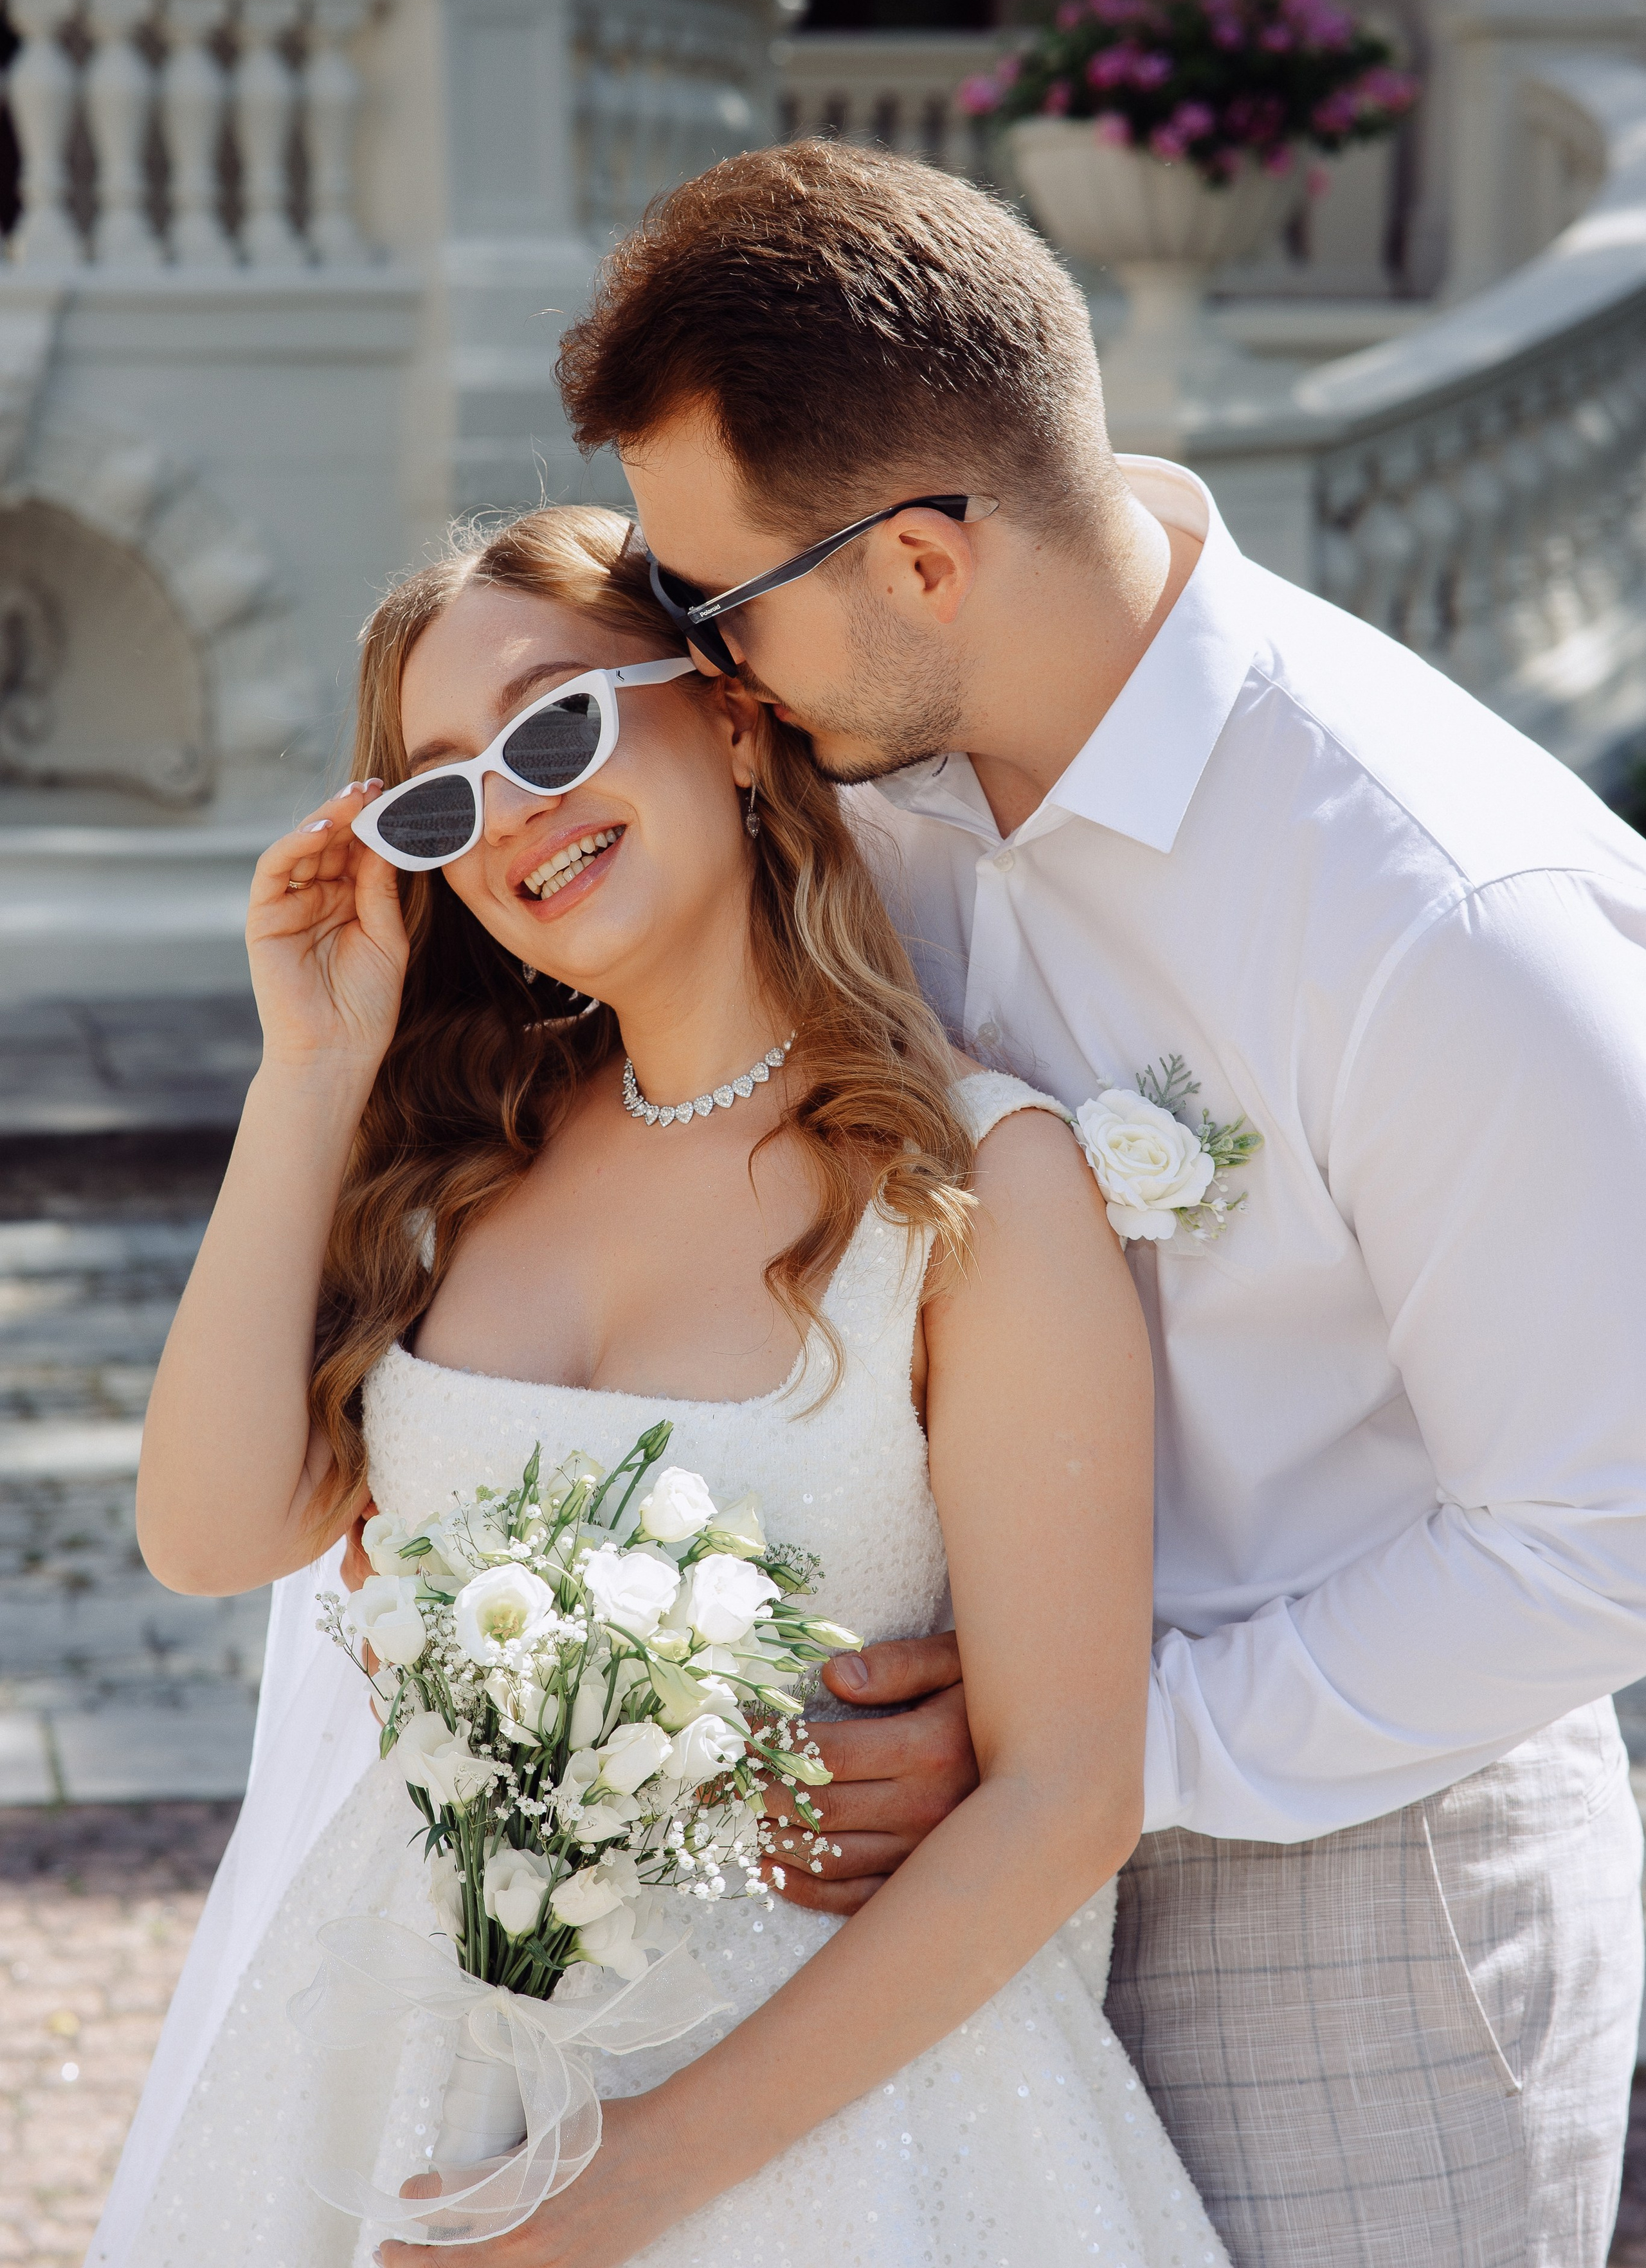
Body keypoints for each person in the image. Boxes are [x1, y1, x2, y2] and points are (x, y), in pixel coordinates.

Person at [553, 140, 1646, 2268]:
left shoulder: (1445, 910)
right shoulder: (882, 772)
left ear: (927, 560)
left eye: (719, 598)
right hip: (949, 1885)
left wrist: (1092, 1748)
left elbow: (1608, 1528)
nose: (706, 662)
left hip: (1352, 1890)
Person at [90, 505, 1229, 2268]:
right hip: (401, 2092)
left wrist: (616, 2188)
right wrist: (309, 1075)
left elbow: (1064, 1793)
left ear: (726, 712)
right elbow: (207, 1527)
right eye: (441, 801)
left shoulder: (978, 1184)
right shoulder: (461, 1171)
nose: (516, 812)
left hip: (828, 2145)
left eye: (554, 726)